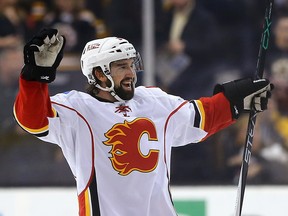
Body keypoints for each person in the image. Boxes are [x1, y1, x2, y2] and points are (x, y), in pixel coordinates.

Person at [13, 28, 272, 215]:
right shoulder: (77, 110)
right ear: (98, 75)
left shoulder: (153, 101)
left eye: (131, 65)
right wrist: (35, 78)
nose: (131, 73)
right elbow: (33, 120)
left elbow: (200, 118)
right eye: (121, 67)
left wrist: (236, 100)